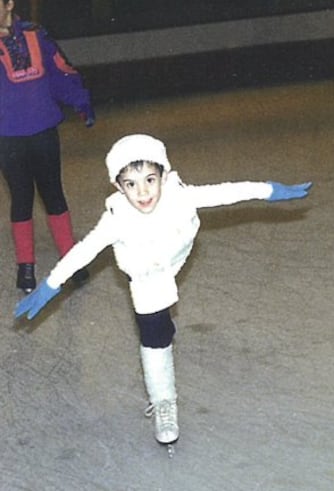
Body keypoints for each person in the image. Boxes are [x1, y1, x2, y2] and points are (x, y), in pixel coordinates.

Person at [15, 134, 312, 446]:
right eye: (130, 184)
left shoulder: (179, 197)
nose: (142, 192)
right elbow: (83, 251)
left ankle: (162, 340)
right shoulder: (116, 220)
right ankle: (163, 402)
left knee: (160, 325)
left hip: (177, 248)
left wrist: (268, 190)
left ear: (165, 176)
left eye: (149, 179)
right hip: (146, 273)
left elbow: (226, 192)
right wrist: (51, 284)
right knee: (155, 336)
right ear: (118, 187)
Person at [0, 0, 95, 293]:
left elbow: (60, 71)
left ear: (8, 4)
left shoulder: (36, 35)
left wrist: (80, 100)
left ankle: (70, 258)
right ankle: (25, 267)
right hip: (8, 136)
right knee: (21, 197)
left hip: (43, 131)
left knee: (53, 192)